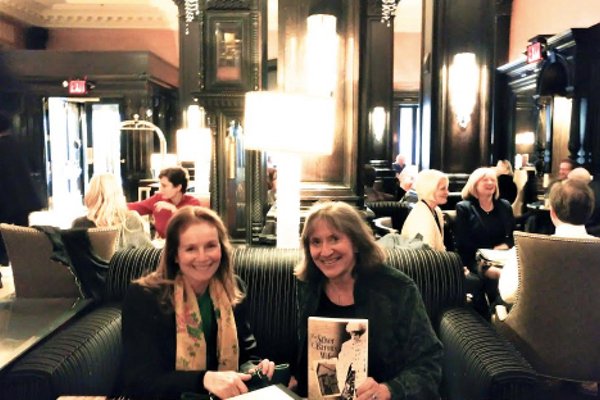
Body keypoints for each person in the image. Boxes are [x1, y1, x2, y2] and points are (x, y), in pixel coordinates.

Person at [121, 206, 275, 399]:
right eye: (191, 248)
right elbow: (139, 381)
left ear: (222, 248)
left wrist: (255, 369)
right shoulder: (144, 296)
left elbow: (247, 356)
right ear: (175, 255)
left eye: (211, 245)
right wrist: (203, 380)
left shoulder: (234, 288)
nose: (203, 257)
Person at [294, 201, 443, 400]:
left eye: (334, 239)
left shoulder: (397, 289)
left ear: (356, 243)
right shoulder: (308, 285)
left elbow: (429, 363)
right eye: (316, 242)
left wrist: (388, 390)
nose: (325, 251)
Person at [499, 179, 598, 305]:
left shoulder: (525, 250)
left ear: (552, 213)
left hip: (534, 324)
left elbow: (508, 295)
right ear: (590, 212)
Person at [455, 167, 515, 317]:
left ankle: (511, 316)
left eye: (493, 180)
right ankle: (495, 314)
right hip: (476, 258)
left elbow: (512, 237)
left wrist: (504, 246)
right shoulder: (464, 208)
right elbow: (463, 242)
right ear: (474, 185)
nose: (490, 183)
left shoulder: (504, 206)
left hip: (503, 256)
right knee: (500, 274)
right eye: (485, 180)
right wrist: (487, 256)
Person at [0, 111, 43, 268]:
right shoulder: (20, 145)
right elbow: (35, 166)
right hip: (23, 198)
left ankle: (4, 258)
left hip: (4, 199)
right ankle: (24, 263)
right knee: (22, 233)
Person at [72, 173, 152, 250]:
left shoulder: (78, 225)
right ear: (118, 195)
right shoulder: (131, 220)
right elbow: (148, 255)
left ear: (90, 195)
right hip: (124, 264)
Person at [128, 166, 202, 239]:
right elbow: (133, 207)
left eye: (164, 186)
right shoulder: (158, 199)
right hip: (162, 246)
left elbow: (193, 230)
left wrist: (174, 210)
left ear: (178, 187)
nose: (160, 189)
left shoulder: (193, 203)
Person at [401, 169, 449, 251]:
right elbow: (427, 256)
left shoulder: (437, 211)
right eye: (442, 189)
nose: (447, 192)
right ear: (429, 189)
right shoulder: (422, 218)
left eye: (447, 188)